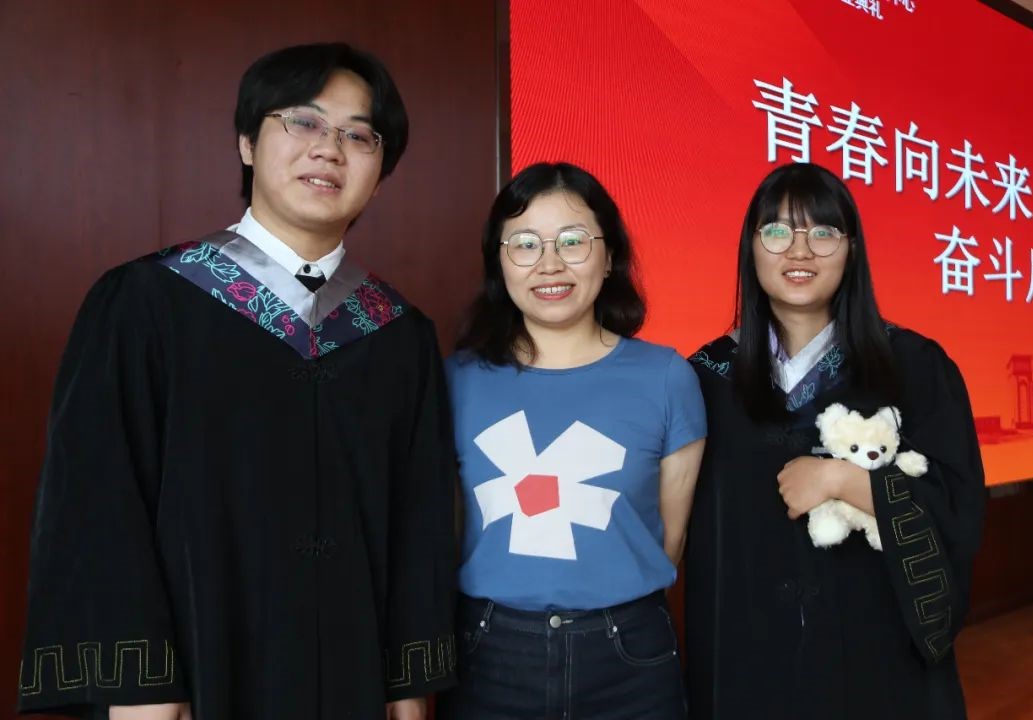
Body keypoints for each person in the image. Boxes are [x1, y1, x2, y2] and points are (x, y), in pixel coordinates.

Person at [17, 43, 456, 720]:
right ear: (248, 142)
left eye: (358, 135)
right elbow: (96, 506)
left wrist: (409, 689)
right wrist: (140, 691)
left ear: (380, 171)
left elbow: (419, 527)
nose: (328, 149)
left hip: (354, 678)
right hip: (197, 675)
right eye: (303, 121)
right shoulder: (146, 302)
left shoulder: (399, 333)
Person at [684, 162, 985, 719]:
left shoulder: (913, 367)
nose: (799, 250)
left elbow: (959, 512)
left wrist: (848, 481)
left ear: (852, 249)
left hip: (879, 663)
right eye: (777, 231)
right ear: (751, 248)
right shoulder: (706, 378)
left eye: (822, 232)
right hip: (752, 664)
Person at [437, 162, 706, 719]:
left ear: (609, 257)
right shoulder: (455, 381)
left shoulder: (666, 377)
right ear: (498, 262)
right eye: (524, 244)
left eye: (573, 241)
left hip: (628, 656)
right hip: (491, 653)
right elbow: (450, 531)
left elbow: (670, 538)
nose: (549, 264)